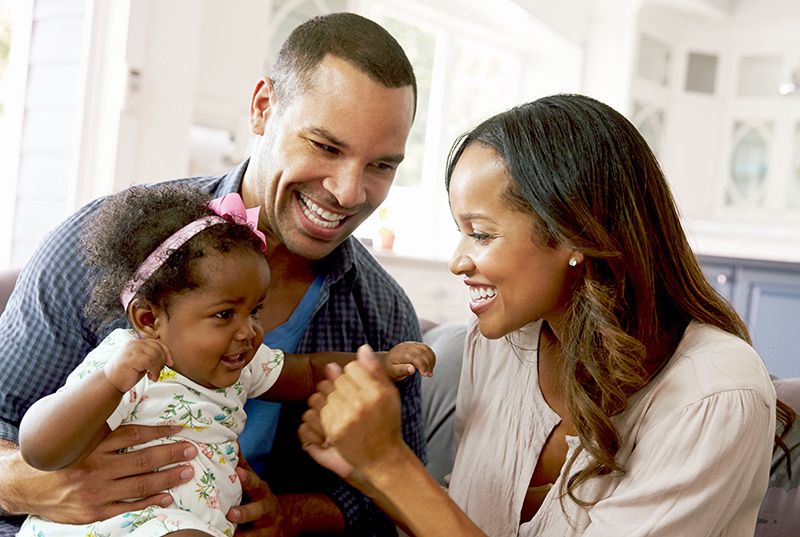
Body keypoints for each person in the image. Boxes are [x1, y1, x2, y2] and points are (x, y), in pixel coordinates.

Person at [0, 12, 424, 537]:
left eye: (381, 165)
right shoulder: (102, 250)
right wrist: (28, 482)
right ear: (263, 108)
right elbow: (11, 422)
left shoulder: (383, 316)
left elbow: (401, 504)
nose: (348, 192)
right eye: (326, 146)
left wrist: (291, 517)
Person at [299, 94, 791, 536]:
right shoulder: (496, 344)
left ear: (574, 232)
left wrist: (391, 465)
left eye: (481, 234)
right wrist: (364, 466)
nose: (458, 261)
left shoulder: (715, 394)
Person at [16, 184, 433, 537]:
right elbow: (39, 449)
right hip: (121, 523)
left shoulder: (240, 366)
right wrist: (108, 383)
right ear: (150, 319)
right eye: (224, 314)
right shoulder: (125, 365)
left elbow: (308, 370)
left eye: (255, 311)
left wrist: (379, 361)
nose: (248, 330)